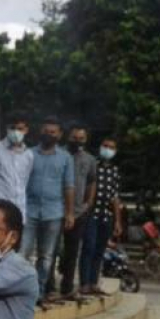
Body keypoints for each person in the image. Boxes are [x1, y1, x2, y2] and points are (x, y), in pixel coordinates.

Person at [20, 117, 75, 304]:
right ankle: (21, 290)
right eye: (46, 131)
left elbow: (69, 186)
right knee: (23, 253)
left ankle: (39, 291)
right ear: (40, 131)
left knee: (46, 257)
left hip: (54, 213)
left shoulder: (65, 158)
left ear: (59, 135)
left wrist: (69, 213)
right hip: (29, 210)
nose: (49, 135)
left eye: (53, 132)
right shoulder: (28, 154)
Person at [55, 124, 96, 298]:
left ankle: (67, 287)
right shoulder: (58, 154)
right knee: (53, 250)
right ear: (68, 137)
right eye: (74, 138)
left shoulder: (89, 159)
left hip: (79, 212)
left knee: (72, 252)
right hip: (57, 210)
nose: (77, 141)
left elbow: (91, 181)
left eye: (81, 138)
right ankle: (48, 287)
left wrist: (89, 202)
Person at [79, 137, 123, 295]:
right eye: (105, 146)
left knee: (100, 250)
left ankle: (93, 283)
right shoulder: (93, 166)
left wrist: (117, 221)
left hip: (106, 216)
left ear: (115, 151)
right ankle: (84, 283)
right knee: (89, 247)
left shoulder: (115, 171)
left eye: (111, 147)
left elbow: (115, 197)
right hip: (91, 213)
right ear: (100, 147)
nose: (107, 149)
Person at [0, 113, 34, 220]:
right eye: (12, 128)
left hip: (18, 210)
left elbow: (24, 182)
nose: (16, 132)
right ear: (7, 128)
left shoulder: (29, 155)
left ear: (26, 130)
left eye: (20, 129)